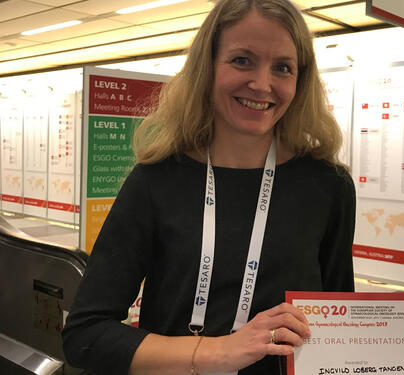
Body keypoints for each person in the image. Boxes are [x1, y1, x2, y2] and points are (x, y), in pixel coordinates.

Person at [62, 0, 356, 374]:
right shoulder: (157, 180)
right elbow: (86, 336)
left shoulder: (329, 186)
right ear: (207, 66)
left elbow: (340, 323)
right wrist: (219, 351)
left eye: (282, 67)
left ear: (300, 80)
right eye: (242, 60)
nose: (262, 84)